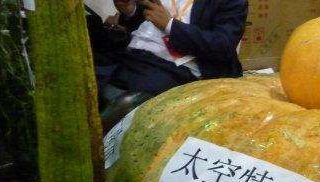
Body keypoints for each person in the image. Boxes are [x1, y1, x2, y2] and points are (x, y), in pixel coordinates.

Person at [97, 0, 247, 131]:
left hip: (174, 66)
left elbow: (222, 45)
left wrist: (170, 25)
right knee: (92, 73)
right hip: (131, 54)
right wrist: (130, 11)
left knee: (123, 104)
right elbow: (145, 20)